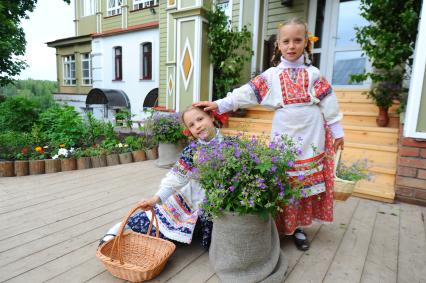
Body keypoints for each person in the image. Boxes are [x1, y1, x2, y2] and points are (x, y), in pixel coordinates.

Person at [193, 17, 344, 251]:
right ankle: (277, 227)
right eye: (286, 41)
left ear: (306, 42)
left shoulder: (314, 74)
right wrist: (219, 104)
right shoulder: (272, 76)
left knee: (303, 186)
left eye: (297, 40)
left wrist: (337, 131)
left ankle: (298, 228)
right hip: (285, 132)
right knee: (283, 179)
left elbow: (329, 101)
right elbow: (246, 93)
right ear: (278, 45)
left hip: (312, 132)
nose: (291, 46)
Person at [99, 106, 224, 249]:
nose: (198, 126)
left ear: (211, 117)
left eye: (200, 119)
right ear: (189, 131)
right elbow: (176, 177)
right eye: (192, 125)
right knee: (158, 218)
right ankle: (116, 230)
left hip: (217, 199)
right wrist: (155, 199)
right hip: (193, 195)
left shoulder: (232, 145)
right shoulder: (192, 151)